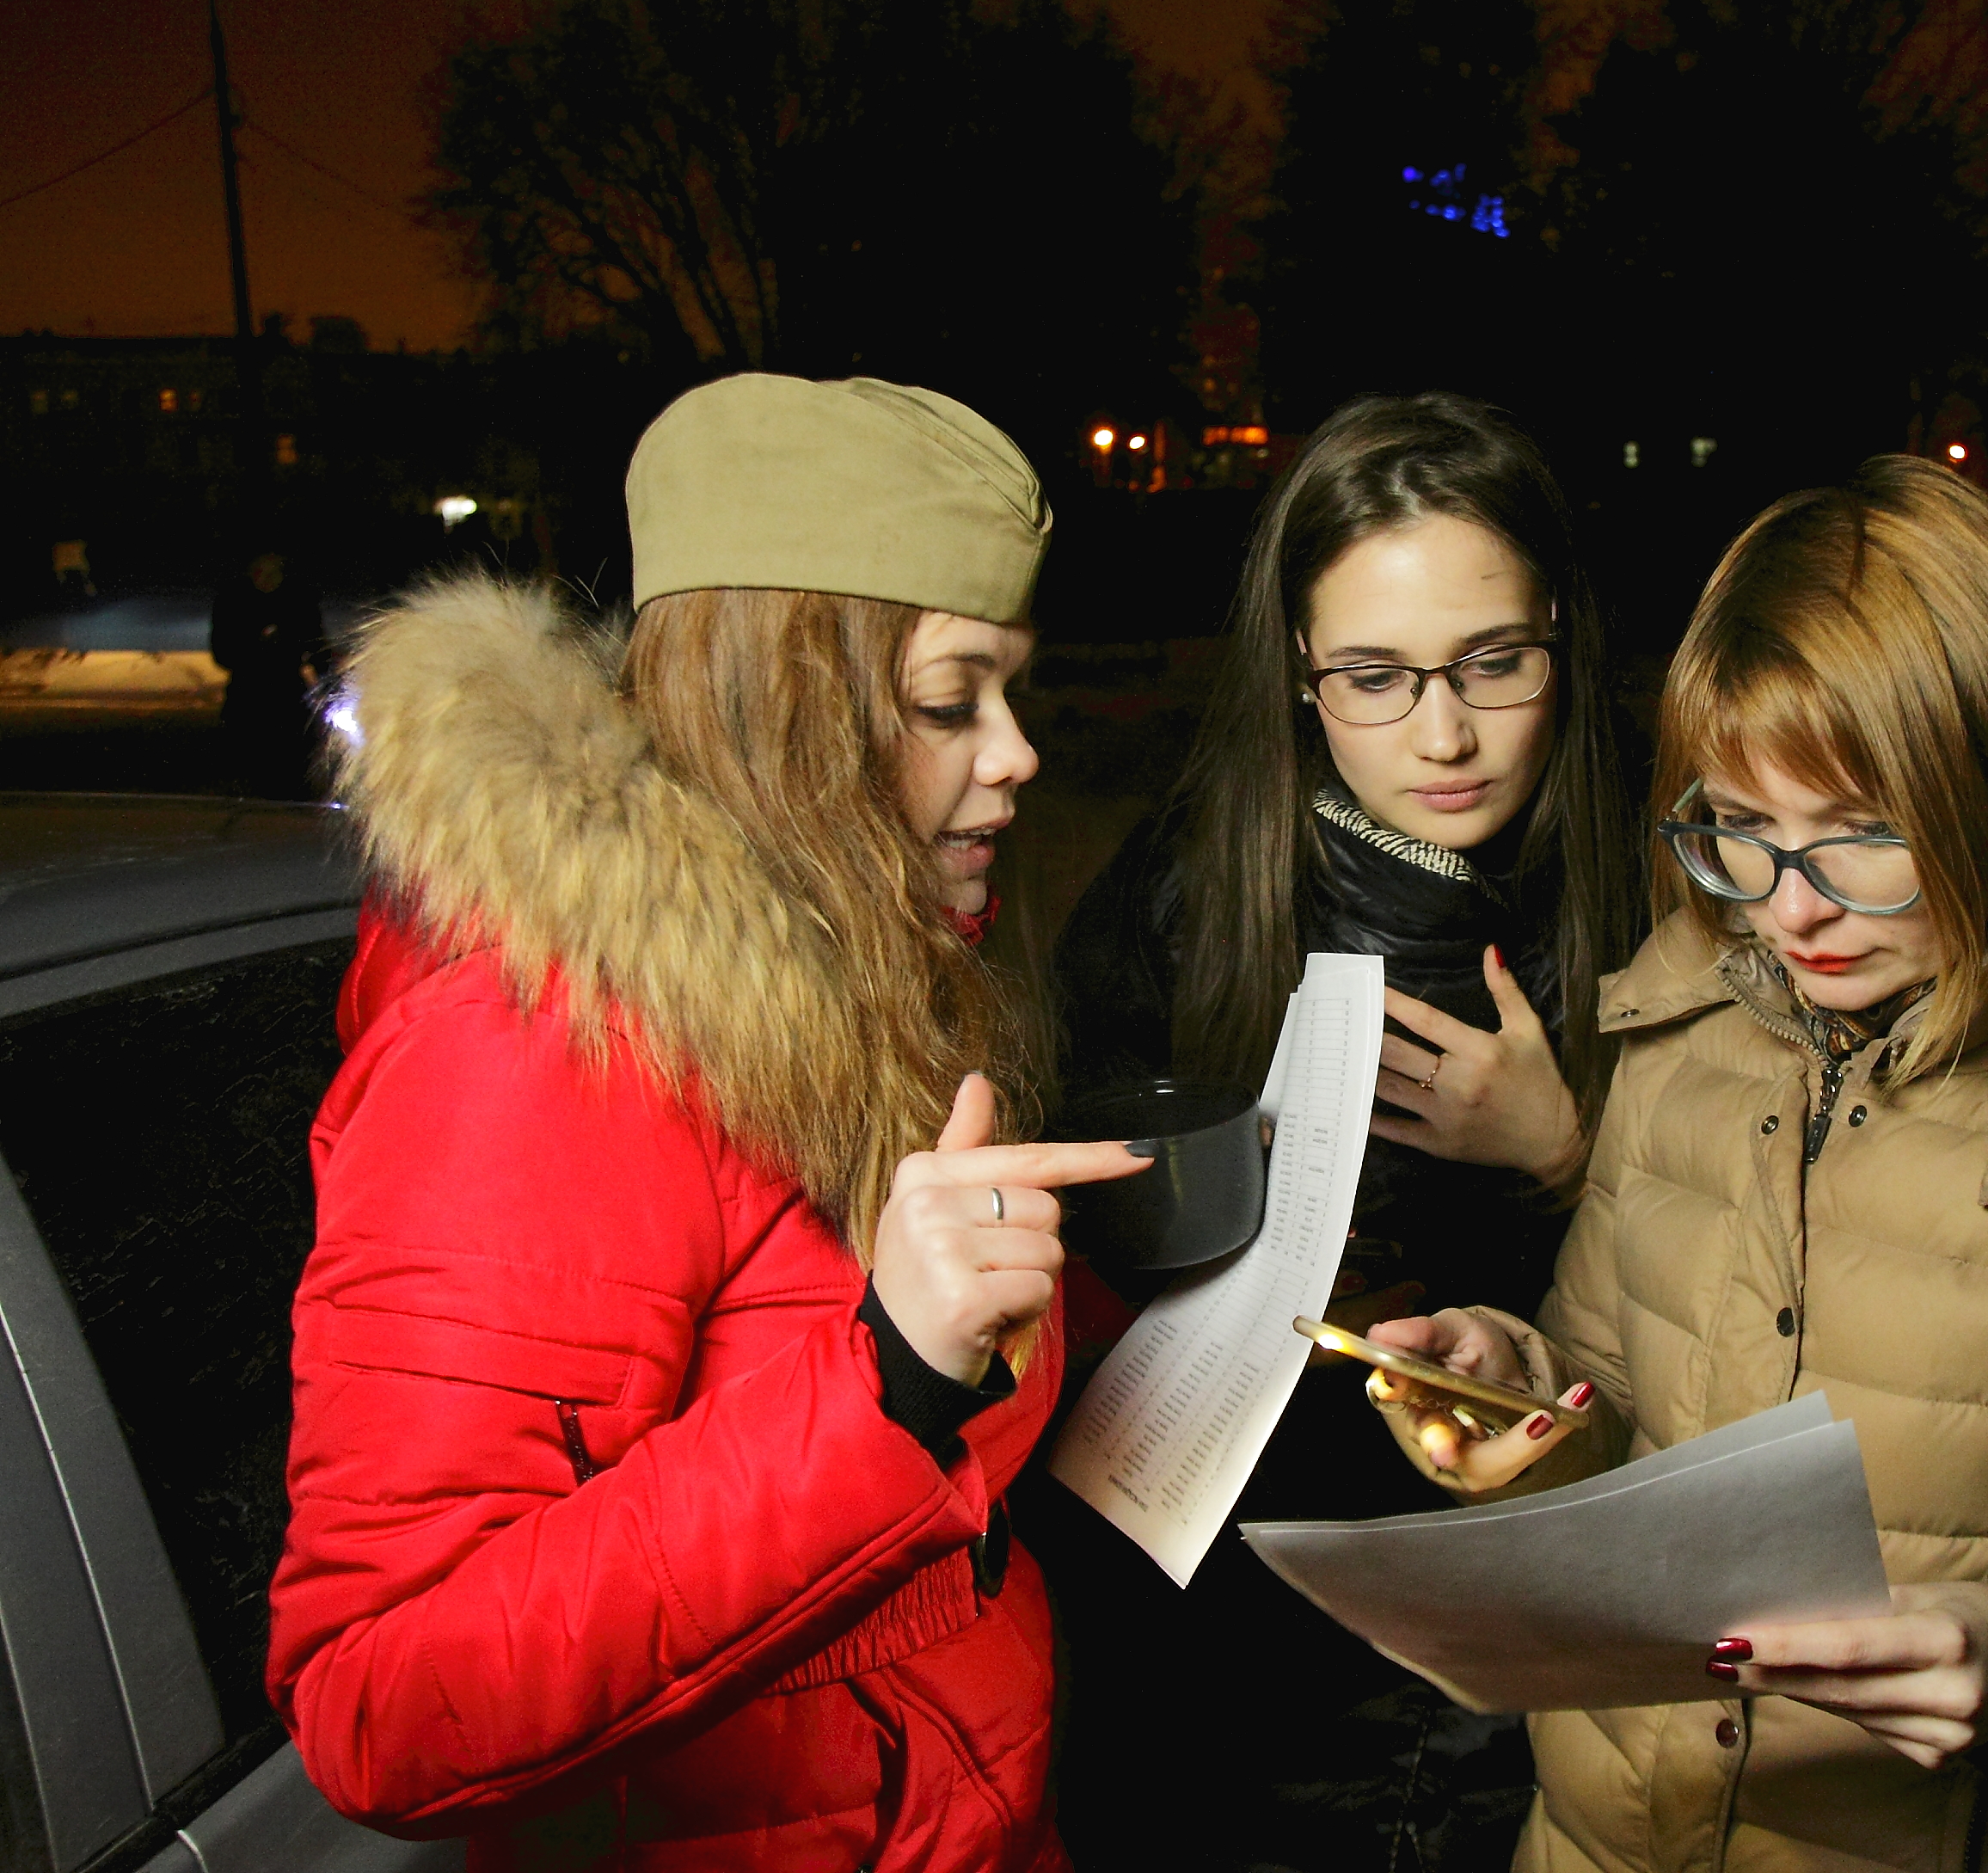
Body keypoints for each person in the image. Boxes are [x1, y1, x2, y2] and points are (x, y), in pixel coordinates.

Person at [1367, 458, 1988, 1870]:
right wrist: (1523, 1399)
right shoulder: (1687, 1026)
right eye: (1740, 826)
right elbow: (1621, 1419)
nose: (1790, 909)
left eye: (1863, 833)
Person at [267, 373, 1151, 1871]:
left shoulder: (860, 961)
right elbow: (381, 1705)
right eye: (951, 701)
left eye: (1010, 692)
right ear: (787, 709)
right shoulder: (526, 1051)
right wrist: (884, 1382)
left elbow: (867, 1314)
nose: (1015, 752)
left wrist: (1255, 1325)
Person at [1039, 391, 1640, 1870]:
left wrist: (1565, 1157)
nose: (1444, 733)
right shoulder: (1194, 885)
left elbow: (1746, 1302)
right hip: (1223, 1652)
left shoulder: (1663, 883)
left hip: (1517, 1653)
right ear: (1298, 673)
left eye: (1493, 661)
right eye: (1374, 677)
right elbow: (1073, 1262)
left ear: (1562, 637)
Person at [210, 544, 335, 798]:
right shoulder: (234, 599)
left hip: (287, 695)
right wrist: (257, 647)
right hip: (248, 695)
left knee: (291, 767)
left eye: (275, 570)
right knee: (250, 765)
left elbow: (316, 646)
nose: (268, 577)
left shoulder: (298, 599)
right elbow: (223, 652)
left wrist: (330, 686)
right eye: (262, 570)